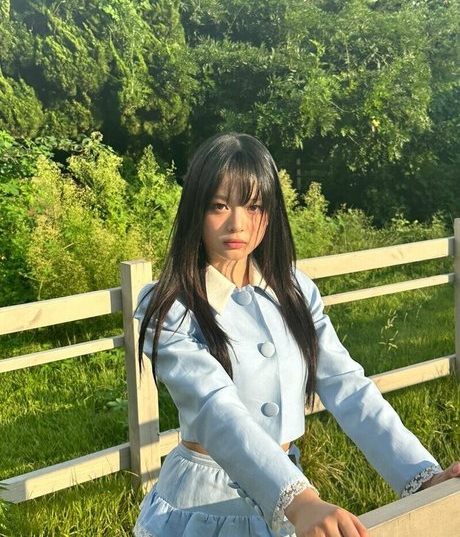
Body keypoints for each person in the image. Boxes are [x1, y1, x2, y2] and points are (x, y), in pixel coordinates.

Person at [133, 133, 459, 537]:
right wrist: (299, 501)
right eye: (219, 206)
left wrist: (422, 477)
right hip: (205, 509)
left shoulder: (294, 290)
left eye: (253, 206)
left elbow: (348, 387)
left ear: (270, 213)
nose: (238, 224)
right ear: (195, 211)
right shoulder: (170, 306)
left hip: (290, 498)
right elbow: (214, 407)